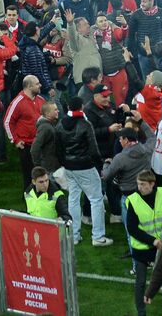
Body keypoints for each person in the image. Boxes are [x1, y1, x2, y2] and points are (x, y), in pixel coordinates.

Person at [58, 95, 111, 246]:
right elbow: (94, 150)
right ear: (81, 107)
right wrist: (100, 166)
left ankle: (74, 236)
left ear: (68, 108)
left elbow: (58, 147)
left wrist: (64, 163)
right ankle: (98, 236)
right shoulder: (85, 124)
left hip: (69, 167)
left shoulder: (61, 124)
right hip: (85, 167)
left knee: (73, 199)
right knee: (96, 199)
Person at [127, 168, 162, 316]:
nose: (139, 187)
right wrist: (153, 241)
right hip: (142, 248)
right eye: (138, 184)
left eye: (142, 184)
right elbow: (132, 229)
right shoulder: (133, 200)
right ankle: (141, 312)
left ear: (152, 184)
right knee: (140, 282)